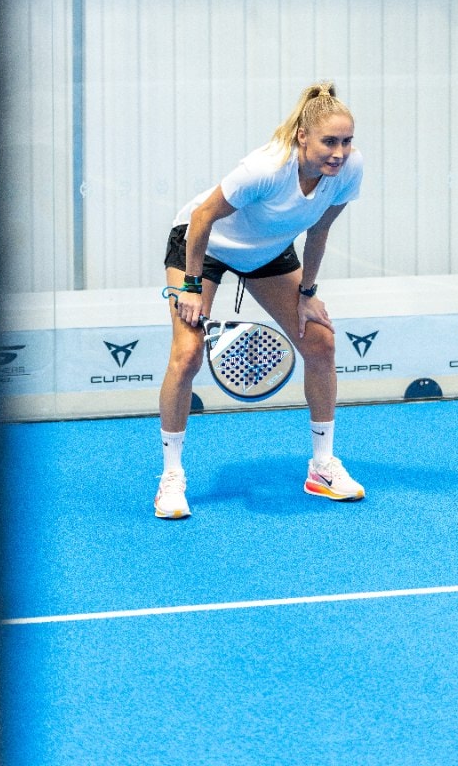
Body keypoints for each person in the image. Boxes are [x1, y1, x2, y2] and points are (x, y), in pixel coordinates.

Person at [155, 81, 365, 519]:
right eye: (329, 141)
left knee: (320, 342)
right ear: (302, 137)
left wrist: (307, 294)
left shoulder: (347, 171)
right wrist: (192, 287)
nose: (339, 153)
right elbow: (201, 217)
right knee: (188, 352)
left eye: (346, 142)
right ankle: (171, 477)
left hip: (268, 251)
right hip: (204, 246)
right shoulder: (266, 168)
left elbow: (319, 231)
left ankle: (322, 467)